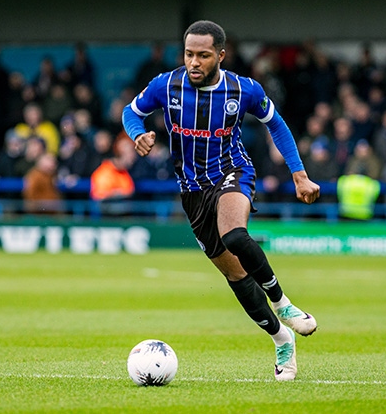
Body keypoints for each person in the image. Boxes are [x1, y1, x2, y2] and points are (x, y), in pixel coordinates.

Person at [122, 20, 320, 382]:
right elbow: (131, 112)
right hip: (192, 191)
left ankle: (282, 303)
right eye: (188, 54)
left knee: (234, 235)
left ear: (220, 56)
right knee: (235, 274)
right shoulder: (165, 85)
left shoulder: (242, 89)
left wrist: (299, 172)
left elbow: (276, 123)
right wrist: (138, 134)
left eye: (203, 55)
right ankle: (281, 338)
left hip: (232, 172)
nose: (194, 62)